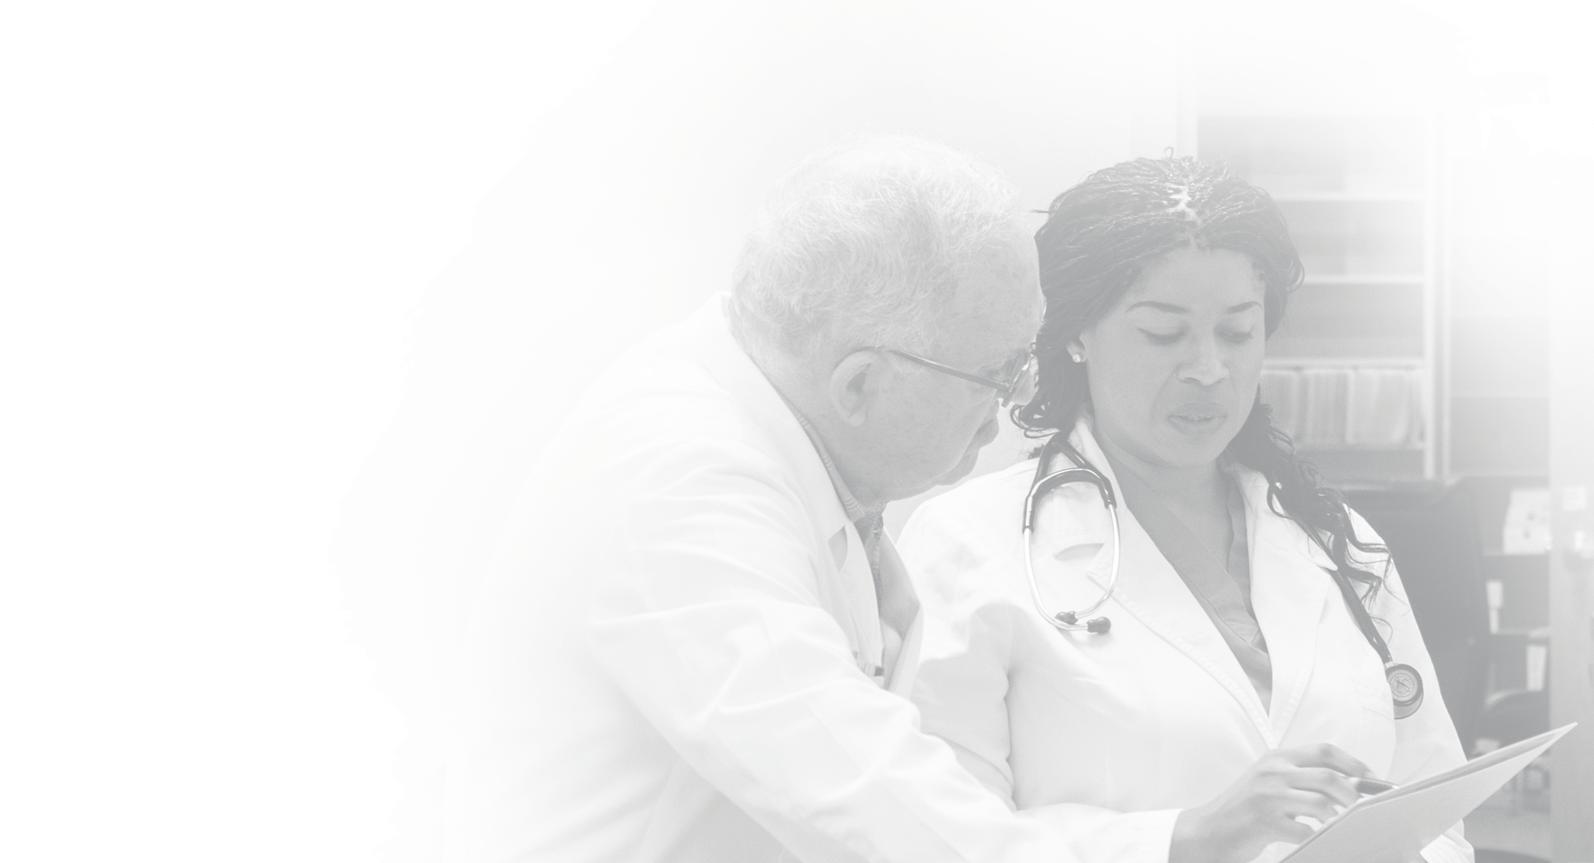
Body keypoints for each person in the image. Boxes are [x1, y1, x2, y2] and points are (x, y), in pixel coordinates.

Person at [445, 137, 1080, 862]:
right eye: (1000, 374)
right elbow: (862, 787)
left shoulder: (780, 426)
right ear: (859, 384)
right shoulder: (679, 484)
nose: (1018, 401)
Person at [898, 156, 1473, 863]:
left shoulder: (1336, 541)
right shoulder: (968, 544)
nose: (1208, 368)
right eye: (1163, 334)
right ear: (1075, 333)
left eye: (1237, 332)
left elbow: (1436, 813)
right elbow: (934, 837)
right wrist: (1187, 837)